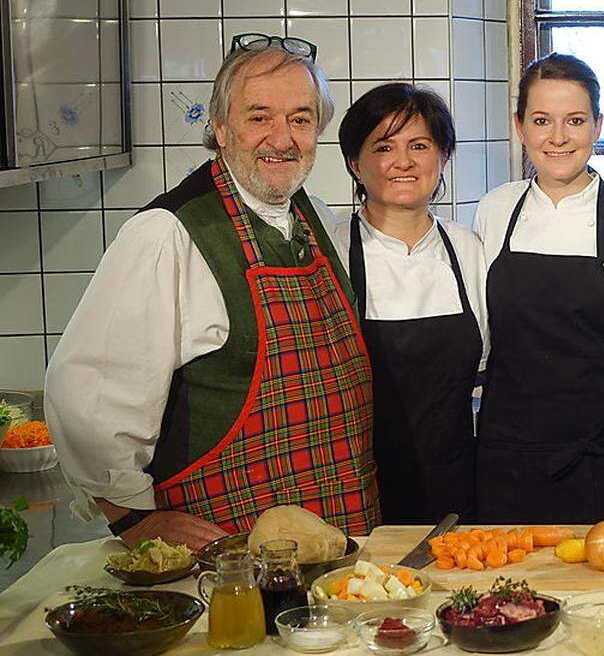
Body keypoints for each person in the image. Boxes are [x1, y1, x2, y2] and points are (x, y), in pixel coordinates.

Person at [45, 34, 380, 549]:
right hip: (227, 557)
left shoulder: (319, 221)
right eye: (259, 116)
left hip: (343, 534)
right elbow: (88, 400)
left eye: (300, 118)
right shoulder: (167, 234)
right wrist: (131, 519)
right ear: (221, 129)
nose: (282, 138)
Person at [474, 53, 604, 530]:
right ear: (520, 126)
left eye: (575, 121)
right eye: (541, 121)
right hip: (508, 460)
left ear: (598, 126)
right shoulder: (494, 211)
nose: (557, 137)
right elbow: (483, 341)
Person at [334, 84, 486, 525]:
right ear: (354, 163)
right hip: (359, 489)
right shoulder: (332, 252)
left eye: (419, 146)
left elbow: (489, 365)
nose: (403, 162)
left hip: (457, 487)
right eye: (384, 147)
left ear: (442, 159)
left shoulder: (468, 249)